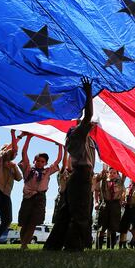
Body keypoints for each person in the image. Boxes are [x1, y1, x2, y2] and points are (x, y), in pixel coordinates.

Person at [45, 78, 97, 251]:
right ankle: (74, 247)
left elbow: (87, 119)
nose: (85, 123)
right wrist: (88, 91)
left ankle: (53, 246)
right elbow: (88, 116)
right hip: (80, 176)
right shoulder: (77, 136)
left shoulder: (83, 138)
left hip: (80, 176)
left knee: (66, 212)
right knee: (80, 212)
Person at [18, 134, 62, 250]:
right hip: (28, 197)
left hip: (40, 197)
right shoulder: (28, 169)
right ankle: (23, 243)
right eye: (37, 160)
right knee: (25, 222)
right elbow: (24, 154)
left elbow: (58, 160)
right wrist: (28, 138)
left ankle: (24, 244)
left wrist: (60, 147)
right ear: (34, 160)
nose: (39, 163)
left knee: (33, 222)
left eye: (42, 161)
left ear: (45, 163)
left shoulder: (47, 171)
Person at [95, 166, 125, 249]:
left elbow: (124, 174)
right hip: (105, 204)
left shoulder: (120, 182)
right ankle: (98, 247)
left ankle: (111, 247)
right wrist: (96, 202)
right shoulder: (103, 181)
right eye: (110, 172)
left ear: (117, 174)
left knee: (113, 226)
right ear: (108, 173)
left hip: (115, 206)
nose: (112, 174)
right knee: (101, 226)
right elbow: (96, 191)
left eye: (114, 173)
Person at [120, 180, 135, 248]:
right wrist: (123, 202)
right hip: (127, 209)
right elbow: (123, 198)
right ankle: (122, 245)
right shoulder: (127, 188)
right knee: (124, 227)